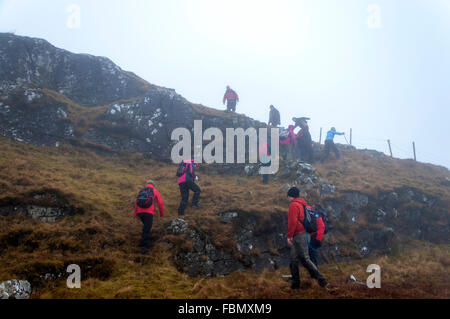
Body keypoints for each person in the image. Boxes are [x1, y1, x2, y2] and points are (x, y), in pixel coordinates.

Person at [286, 187, 328, 289]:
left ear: (290, 196)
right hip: (304, 234)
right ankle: (295, 285)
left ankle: (322, 279)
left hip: (299, 235)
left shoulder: (294, 205)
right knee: (294, 260)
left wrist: (289, 236)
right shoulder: (304, 205)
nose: (287, 198)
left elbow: (293, 222)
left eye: (287, 196)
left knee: (305, 259)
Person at [133, 180, 164, 254]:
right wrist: (161, 213)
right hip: (149, 213)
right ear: (153, 185)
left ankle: (145, 241)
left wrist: (135, 214)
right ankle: (144, 247)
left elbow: (136, 203)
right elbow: (160, 203)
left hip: (140, 212)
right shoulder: (154, 190)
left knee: (146, 227)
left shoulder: (141, 190)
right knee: (147, 228)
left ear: (147, 184)